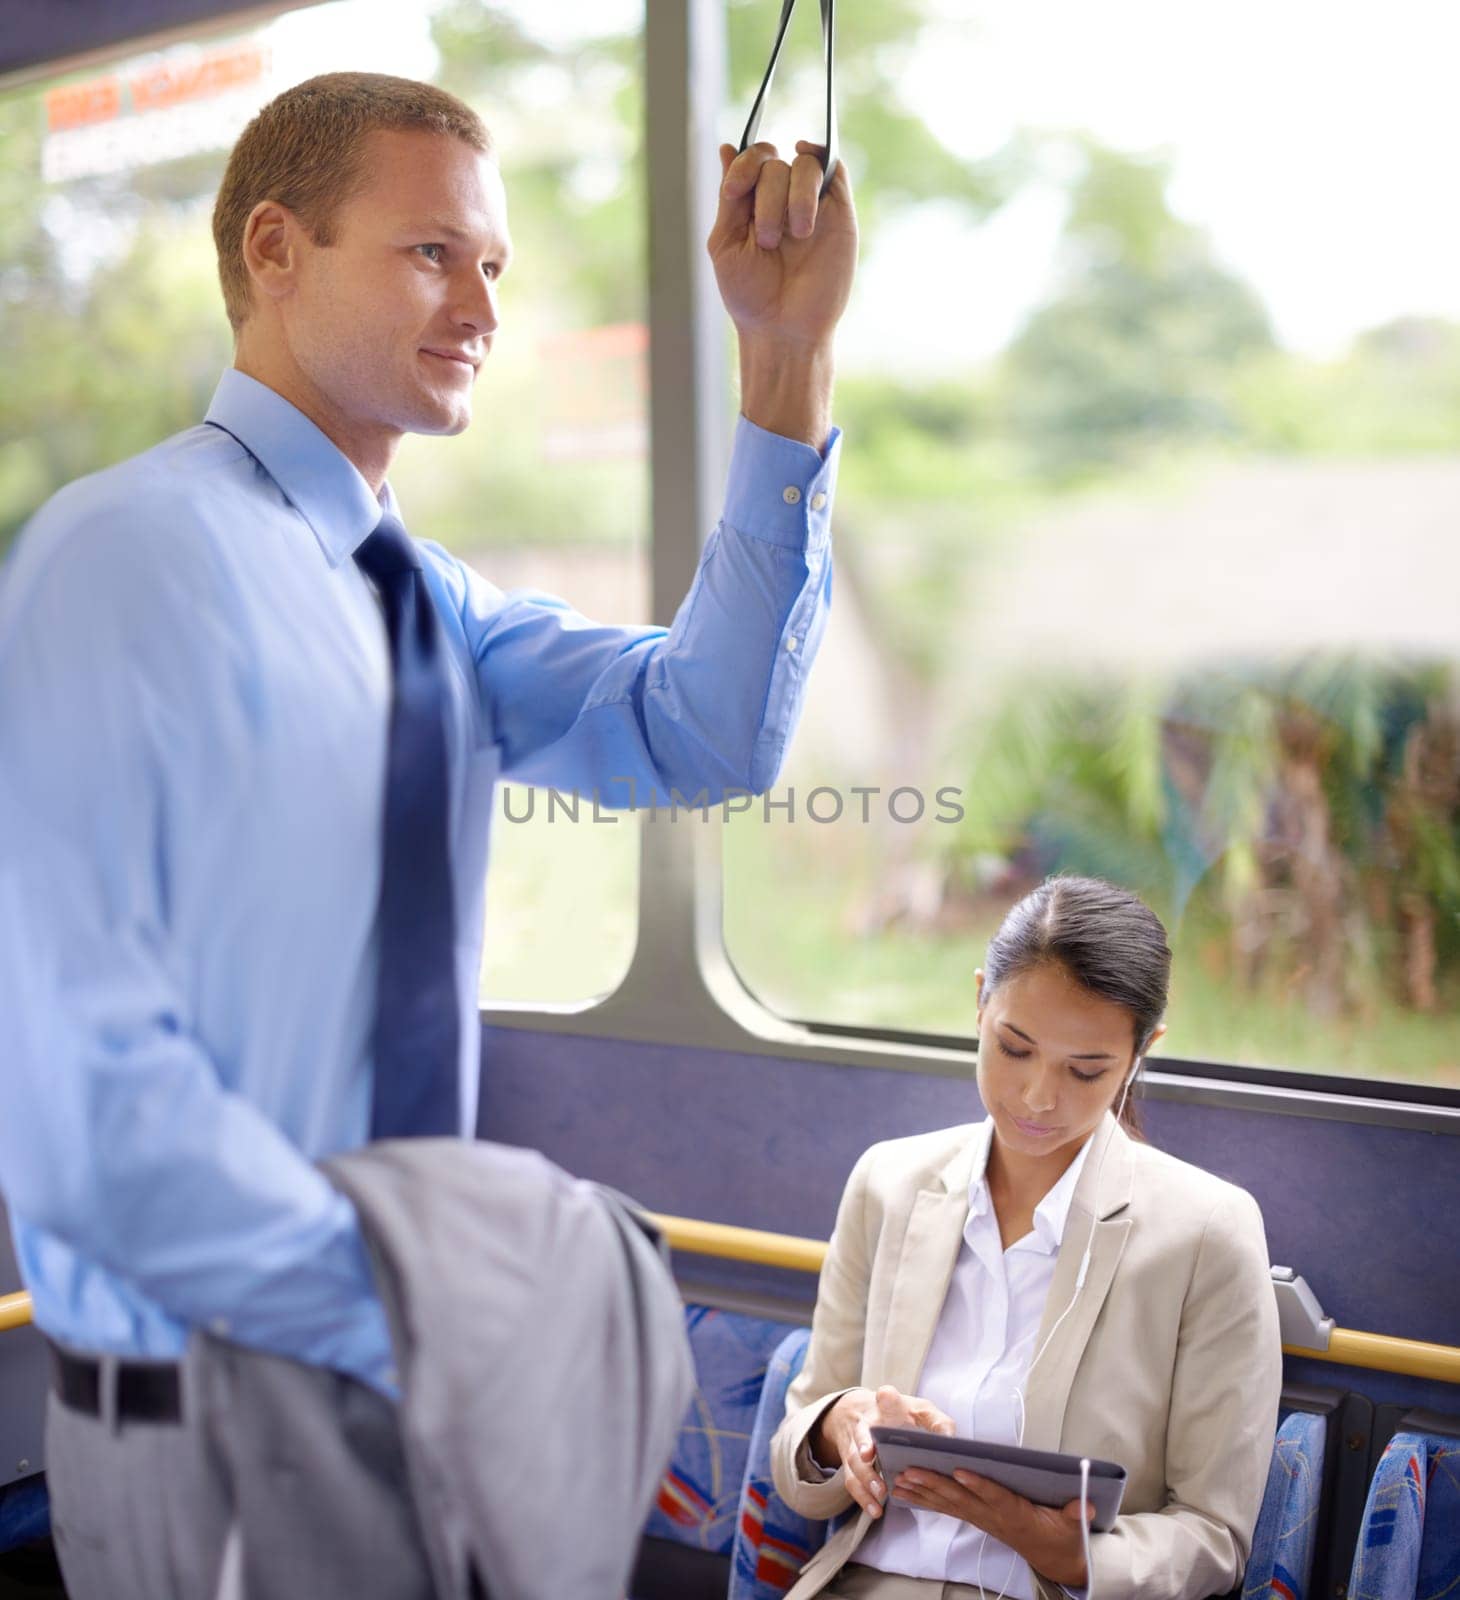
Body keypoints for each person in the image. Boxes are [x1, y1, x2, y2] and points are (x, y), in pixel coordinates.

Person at [0, 70, 856, 1598]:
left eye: (495, 267)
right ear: (275, 250)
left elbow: (705, 732)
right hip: (218, 1423)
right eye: (429, 253)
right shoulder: (122, 557)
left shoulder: (423, 599)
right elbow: (90, 1115)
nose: (481, 303)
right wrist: (452, 1311)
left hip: (403, 1387)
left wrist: (783, 361)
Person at [770, 876, 1282, 1600]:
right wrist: (838, 1428)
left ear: (1142, 1051)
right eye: (1015, 1048)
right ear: (980, 1001)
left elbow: (1213, 1535)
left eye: (1086, 1069)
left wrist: (1066, 1552)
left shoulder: (1207, 1232)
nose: (1040, 1097)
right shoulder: (888, 1182)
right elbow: (799, 1438)